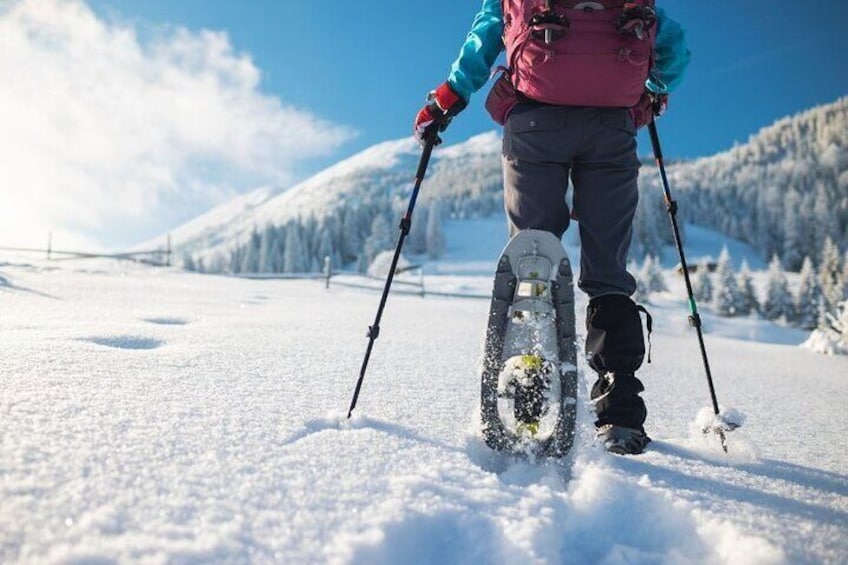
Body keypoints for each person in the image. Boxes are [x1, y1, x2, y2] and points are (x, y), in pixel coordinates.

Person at [413, 0, 690, 455]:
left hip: (534, 122)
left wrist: (448, 97)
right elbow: (673, 47)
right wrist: (654, 86)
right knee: (608, 275)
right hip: (612, 127)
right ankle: (619, 412)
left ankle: (529, 395)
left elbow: (486, 35)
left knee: (532, 260)